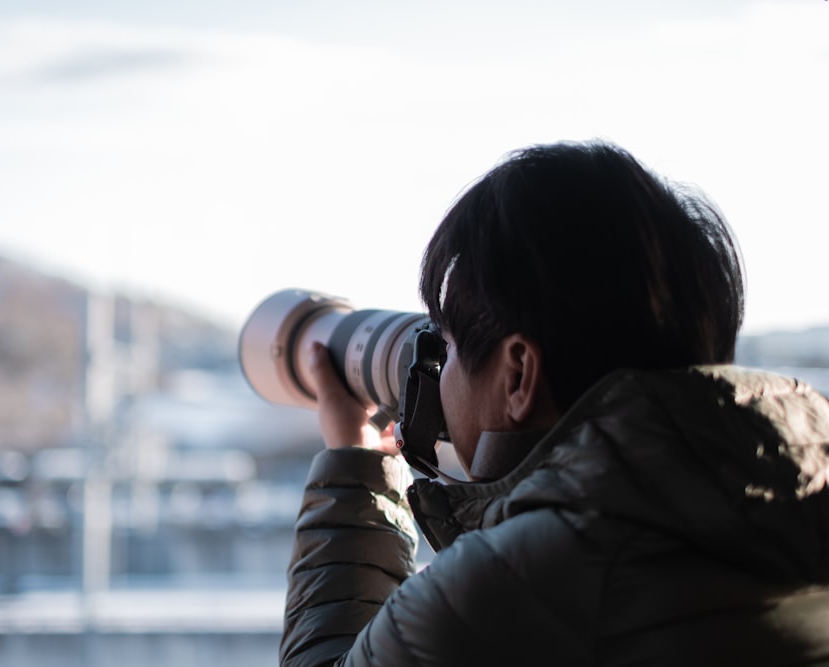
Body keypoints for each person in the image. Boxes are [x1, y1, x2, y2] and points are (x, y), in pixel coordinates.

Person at [279, 140, 829, 666]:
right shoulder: (794, 505)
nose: (437, 374)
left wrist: (356, 466)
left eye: (446, 346)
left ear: (518, 374)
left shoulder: (520, 584)